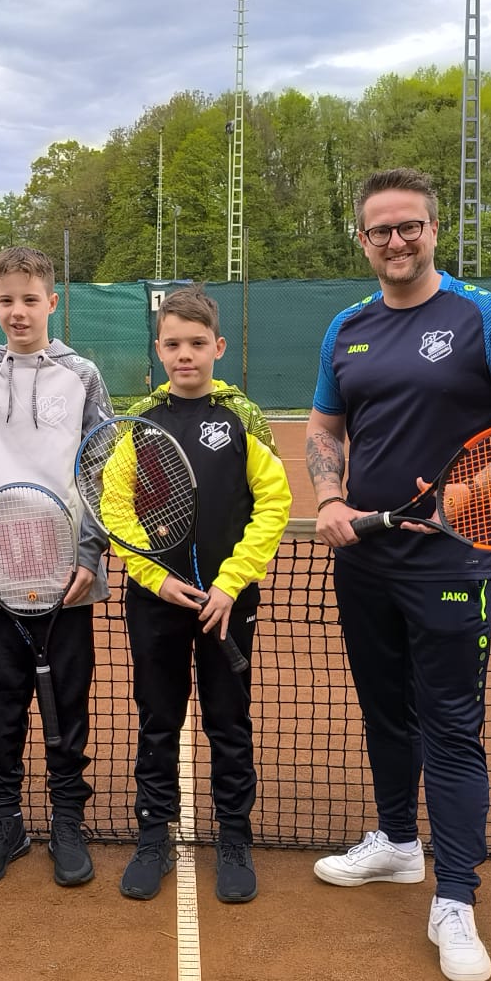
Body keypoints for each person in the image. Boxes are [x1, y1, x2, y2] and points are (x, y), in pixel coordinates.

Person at [305, 168, 491, 981]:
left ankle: (456, 898)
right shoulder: (346, 328)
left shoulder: (484, 316)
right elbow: (324, 425)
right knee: (385, 712)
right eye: (380, 230)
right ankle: (396, 844)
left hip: (453, 562)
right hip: (366, 560)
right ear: (362, 239)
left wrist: (473, 492)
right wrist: (329, 496)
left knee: (450, 727)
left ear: (433, 230)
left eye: (409, 226)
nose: (395, 241)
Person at [111, 286, 290, 904]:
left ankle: (233, 837)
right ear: (157, 350)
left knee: (228, 721)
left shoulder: (244, 417)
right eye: (172, 344)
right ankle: (153, 835)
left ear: (217, 346)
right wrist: (155, 577)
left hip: (225, 604)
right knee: (158, 720)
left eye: (196, 344)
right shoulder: (138, 423)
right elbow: (117, 512)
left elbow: (274, 502)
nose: (184, 355)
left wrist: (229, 584)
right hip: (156, 601)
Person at [0, 245, 110, 888]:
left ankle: (67, 820)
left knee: (67, 704)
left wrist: (89, 554)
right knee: (1, 703)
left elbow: (102, 471)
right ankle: (5, 820)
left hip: (65, 574)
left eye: (29, 299)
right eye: (6, 300)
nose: (18, 312)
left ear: (53, 301)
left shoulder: (84, 376)